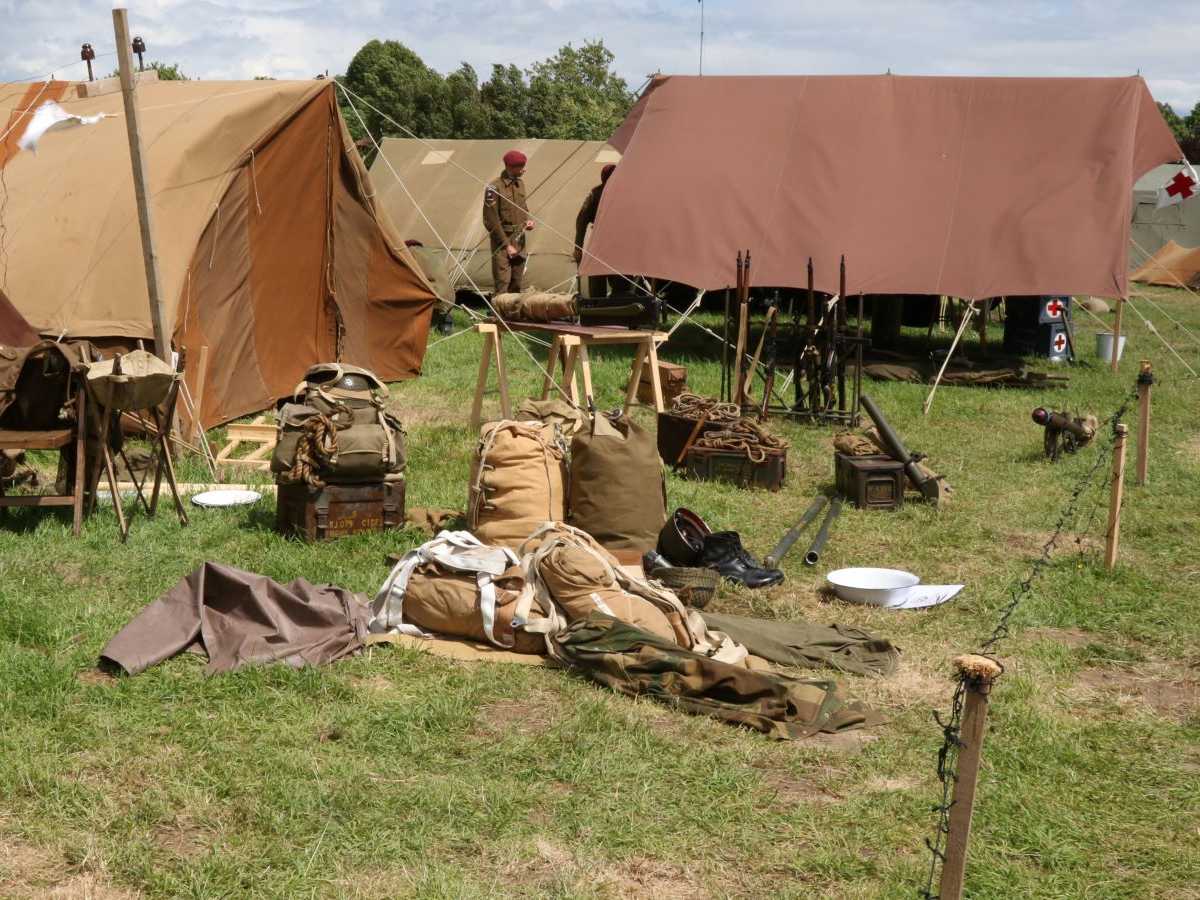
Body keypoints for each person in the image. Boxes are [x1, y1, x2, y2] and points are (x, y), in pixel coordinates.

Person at [483, 150, 534, 294]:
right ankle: (499, 315)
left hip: (520, 239)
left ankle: (513, 315)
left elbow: (523, 208)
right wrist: (506, 245)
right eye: (521, 166)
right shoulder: (494, 188)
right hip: (502, 240)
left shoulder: (520, 184)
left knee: (517, 281)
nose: (524, 169)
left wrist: (528, 221)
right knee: (503, 282)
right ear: (510, 167)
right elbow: (490, 220)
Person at [574, 163, 617, 298]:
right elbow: (582, 221)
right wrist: (578, 247)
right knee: (600, 279)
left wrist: (578, 246)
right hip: (602, 242)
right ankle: (599, 312)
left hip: (615, 243)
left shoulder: (624, 193)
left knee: (620, 280)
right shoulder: (596, 194)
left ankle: (618, 310)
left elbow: (581, 221)